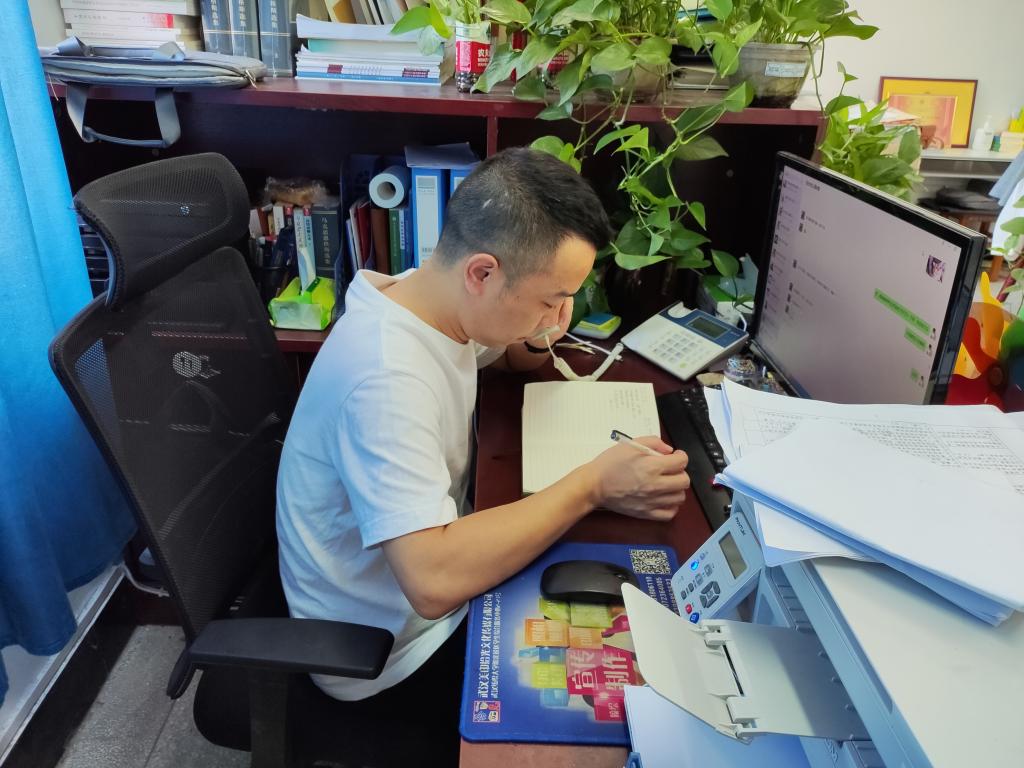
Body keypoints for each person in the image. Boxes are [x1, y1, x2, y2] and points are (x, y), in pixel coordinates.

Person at [275, 148, 690, 755]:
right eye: (551, 297)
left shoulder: (425, 297)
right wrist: (592, 484)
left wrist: (536, 334)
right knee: (630, 713)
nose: (558, 311)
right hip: (388, 655)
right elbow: (433, 581)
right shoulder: (386, 378)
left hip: (411, 591)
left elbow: (494, 353)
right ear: (483, 274)